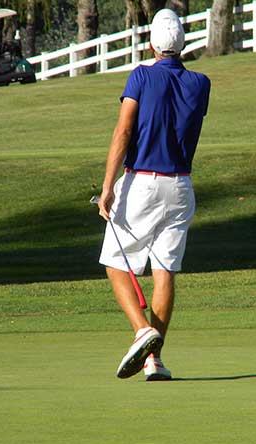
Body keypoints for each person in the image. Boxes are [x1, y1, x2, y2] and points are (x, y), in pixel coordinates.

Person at [97, 9, 211, 381]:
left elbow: (124, 131)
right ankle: (154, 361)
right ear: (183, 44)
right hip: (180, 187)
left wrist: (106, 186)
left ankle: (142, 331)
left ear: (150, 44)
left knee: (116, 263)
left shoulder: (141, 76)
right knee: (164, 271)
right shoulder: (201, 83)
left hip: (142, 183)